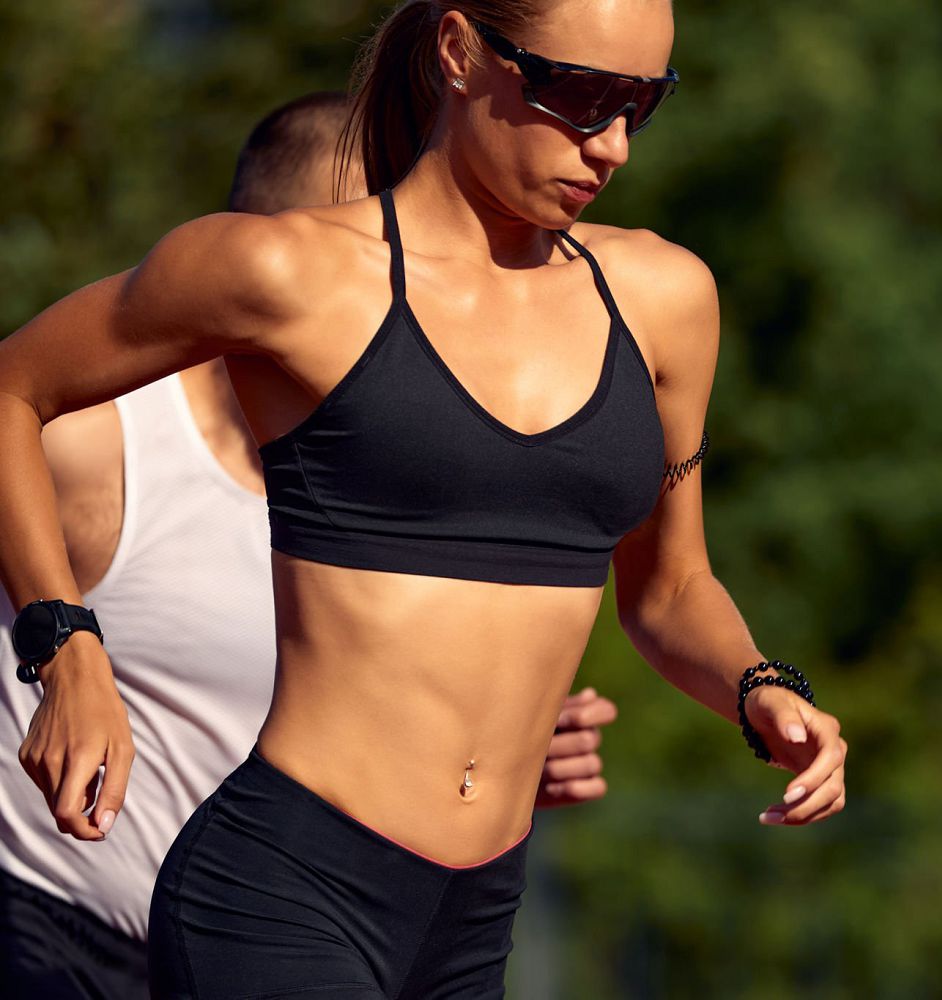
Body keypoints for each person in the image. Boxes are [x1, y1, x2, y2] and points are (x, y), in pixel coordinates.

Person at [0, 2, 848, 997]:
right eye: (577, 94)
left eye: (641, 105)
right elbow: (15, 387)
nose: (611, 144)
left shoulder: (664, 301)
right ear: (457, 51)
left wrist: (758, 686)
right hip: (283, 894)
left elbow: (668, 591)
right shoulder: (290, 271)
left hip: (476, 918)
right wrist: (65, 646)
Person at [0, 89, 617, 999]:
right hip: (44, 928)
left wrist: (501, 763)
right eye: (380, 246)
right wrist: (64, 648)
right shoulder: (106, 445)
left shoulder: (398, 498)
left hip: (253, 951)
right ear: (268, 254)